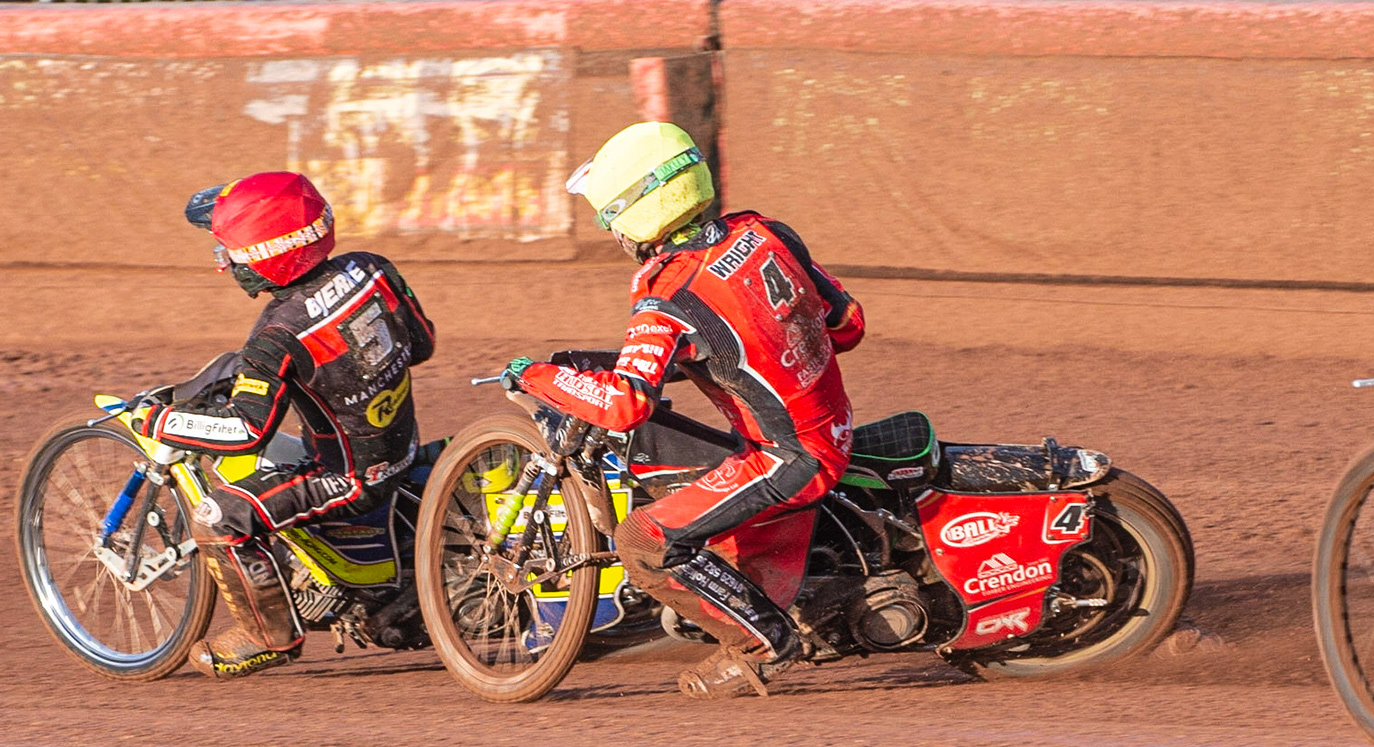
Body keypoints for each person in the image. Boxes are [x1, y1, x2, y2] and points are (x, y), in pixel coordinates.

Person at [501, 122, 864, 699]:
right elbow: (848, 325)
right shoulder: (765, 231)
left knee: (643, 539)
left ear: (633, 213)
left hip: (787, 454)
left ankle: (762, 642)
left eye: (608, 216)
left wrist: (536, 376)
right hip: (833, 419)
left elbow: (624, 406)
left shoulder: (666, 296)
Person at [132, 171, 436, 678]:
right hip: (403, 448)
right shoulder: (372, 268)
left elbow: (248, 431)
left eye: (230, 253)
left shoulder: (276, 334)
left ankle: (267, 636)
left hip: (349, 478)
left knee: (217, 517)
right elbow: (422, 343)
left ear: (266, 258)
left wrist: (159, 420)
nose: (225, 263)